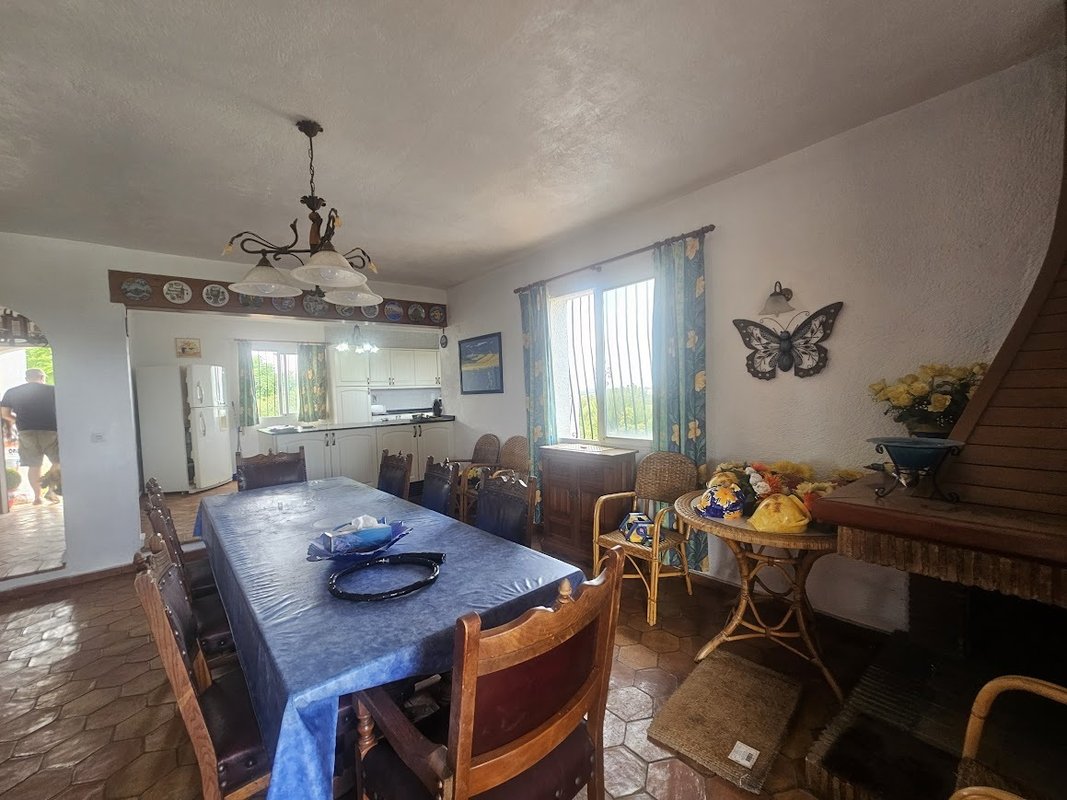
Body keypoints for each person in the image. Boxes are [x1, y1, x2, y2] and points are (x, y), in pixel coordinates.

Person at [1, 368, 60, 505]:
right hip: (50, 431)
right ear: (42, 377)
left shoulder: (12, 392)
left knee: (34, 465)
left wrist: (18, 420)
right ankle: (50, 491)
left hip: (26, 432)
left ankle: (37, 498)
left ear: (27, 378)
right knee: (58, 461)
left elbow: (4, 414)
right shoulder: (53, 390)